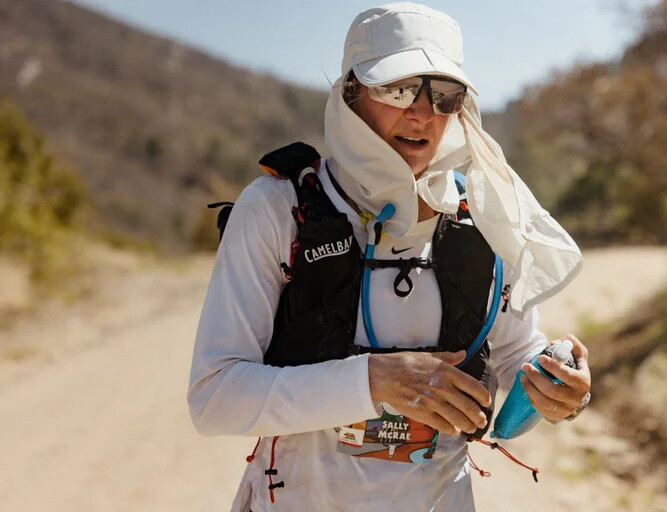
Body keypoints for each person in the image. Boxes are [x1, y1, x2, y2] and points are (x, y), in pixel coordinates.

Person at [188, 3, 591, 511]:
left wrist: (557, 390)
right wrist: (376, 380)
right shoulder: (278, 208)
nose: (421, 113)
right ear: (350, 94)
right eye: (397, 88)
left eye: (444, 95)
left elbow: (514, 356)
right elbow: (215, 397)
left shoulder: (485, 213)